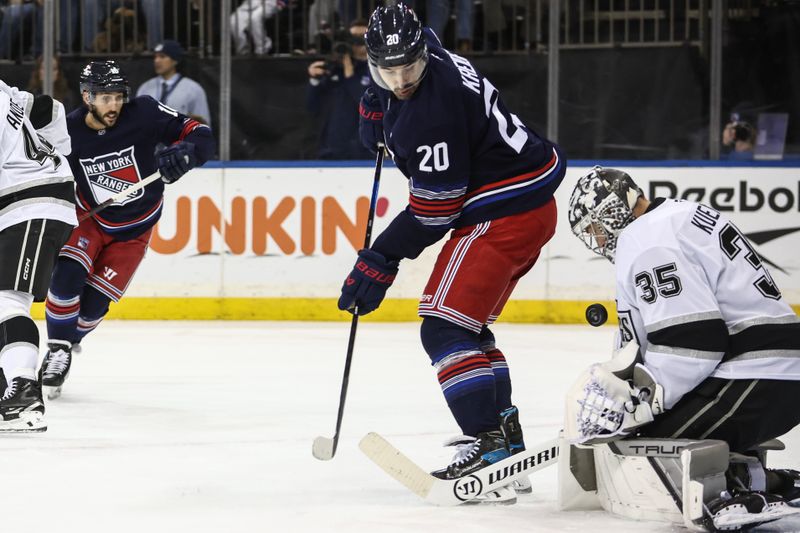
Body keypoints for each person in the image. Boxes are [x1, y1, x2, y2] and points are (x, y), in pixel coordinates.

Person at [337, 3, 566, 495]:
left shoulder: (431, 114)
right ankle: (504, 441)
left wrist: (381, 257)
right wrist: (377, 101)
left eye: (408, 68)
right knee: (470, 328)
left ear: (422, 52)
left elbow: (435, 211)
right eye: (387, 70)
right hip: (527, 206)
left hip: (503, 212)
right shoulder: (430, 48)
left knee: (443, 329)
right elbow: (400, 67)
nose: (401, 80)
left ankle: (488, 444)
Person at [566, 166, 800, 525]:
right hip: (768, 369)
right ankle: (775, 482)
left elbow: (695, 340)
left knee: (644, 444)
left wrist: (642, 401)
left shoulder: (647, 239)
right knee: (649, 434)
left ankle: (736, 494)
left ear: (612, 211)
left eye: (596, 228)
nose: (598, 241)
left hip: (756, 372)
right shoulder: (675, 216)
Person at [40, 61, 215, 399]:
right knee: (67, 274)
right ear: (87, 96)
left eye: (118, 97)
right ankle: (58, 348)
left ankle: (69, 340)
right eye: (105, 98)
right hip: (88, 218)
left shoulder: (145, 113)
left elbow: (200, 133)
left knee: (93, 308)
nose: (114, 105)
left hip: (136, 227)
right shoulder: (67, 131)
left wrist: (188, 152)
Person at [0, 79, 76, 431]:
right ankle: (9, 389)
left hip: (28, 201)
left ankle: (24, 393)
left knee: (8, 301)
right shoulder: (4, 91)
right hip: (30, 198)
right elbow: (52, 109)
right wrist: (54, 156)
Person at [306, 19, 372, 159]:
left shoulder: (378, 71)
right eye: (354, 37)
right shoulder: (336, 68)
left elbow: (365, 103)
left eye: (363, 36)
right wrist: (314, 80)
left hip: (362, 150)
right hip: (331, 148)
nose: (358, 41)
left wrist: (350, 73)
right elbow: (312, 106)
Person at [136, 40, 212, 126]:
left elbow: (203, 125)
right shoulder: (145, 88)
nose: (157, 60)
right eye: (155, 57)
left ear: (175, 60)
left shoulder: (193, 89)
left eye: (162, 56)